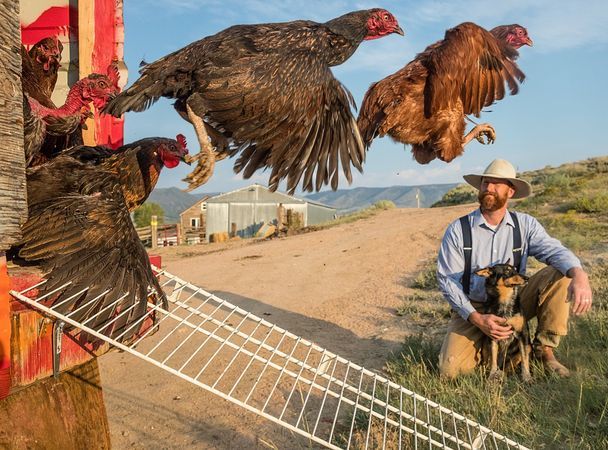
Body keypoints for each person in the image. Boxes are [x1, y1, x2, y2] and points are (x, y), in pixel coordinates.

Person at [437, 159, 593, 378]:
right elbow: (447, 280)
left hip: (514, 301)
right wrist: (477, 319)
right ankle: (488, 349)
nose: (488, 188)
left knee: (562, 274)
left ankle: (544, 351)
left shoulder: (525, 225)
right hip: (474, 307)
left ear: (510, 191)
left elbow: (555, 251)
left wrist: (579, 274)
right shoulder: (458, 229)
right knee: (450, 371)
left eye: (496, 184)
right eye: (485, 183)